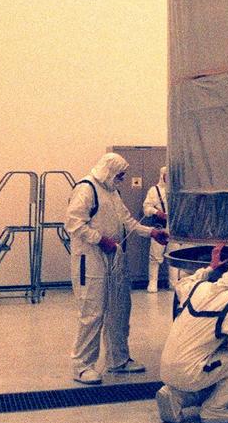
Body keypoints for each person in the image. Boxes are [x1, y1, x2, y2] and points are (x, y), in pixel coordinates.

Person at [65, 152, 158, 384]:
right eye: (120, 175)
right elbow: (74, 223)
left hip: (114, 257)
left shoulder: (112, 192)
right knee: (92, 313)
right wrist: (100, 240)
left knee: (119, 309)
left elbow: (128, 221)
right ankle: (82, 366)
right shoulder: (86, 189)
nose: (123, 179)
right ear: (109, 171)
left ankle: (118, 359)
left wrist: (152, 232)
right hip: (91, 258)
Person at [155, 254, 228, 423]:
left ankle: (175, 396)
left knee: (205, 362)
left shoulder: (201, 287)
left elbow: (182, 283)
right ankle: (215, 409)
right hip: (190, 373)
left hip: (166, 368)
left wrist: (210, 268)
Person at [142, 164, 168, 293]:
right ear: (162, 176)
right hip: (160, 226)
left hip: (174, 227)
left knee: (173, 254)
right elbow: (146, 208)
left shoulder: (177, 191)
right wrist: (156, 212)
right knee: (155, 256)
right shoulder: (154, 190)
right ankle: (153, 283)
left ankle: (174, 282)